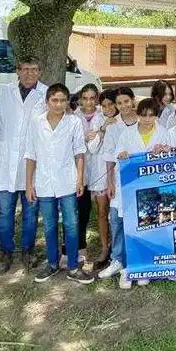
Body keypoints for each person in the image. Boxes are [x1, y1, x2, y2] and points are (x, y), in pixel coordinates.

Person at [25, 83, 91, 284]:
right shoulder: (36, 122)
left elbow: (79, 152)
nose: (58, 104)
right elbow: (31, 154)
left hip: (68, 181)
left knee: (71, 224)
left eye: (63, 100)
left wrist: (79, 179)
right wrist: (29, 184)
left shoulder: (73, 122)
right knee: (49, 225)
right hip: (44, 182)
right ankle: (52, 263)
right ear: (47, 102)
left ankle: (73, 266)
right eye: (54, 100)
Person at [0, 57, 49, 272]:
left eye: (33, 70)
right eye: (24, 70)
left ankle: (28, 250)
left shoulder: (46, 94)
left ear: (40, 71)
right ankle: (5, 251)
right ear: (17, 71)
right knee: (5, 211)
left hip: (32, 163)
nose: (29, 74)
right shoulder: (2, 92)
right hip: (6, 162)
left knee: (30, 211)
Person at [113, 98, 171, 289]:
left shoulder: (163, 132)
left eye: (151, 115)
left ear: (156, 115)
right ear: (138, 114)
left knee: (151, 226)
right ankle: (130, 268)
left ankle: (146, 266)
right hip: (131, 189)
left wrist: (164, 151)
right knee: (131, 228)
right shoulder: (127, 133)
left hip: (154, 188)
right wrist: (121, 154)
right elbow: (119, 152)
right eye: (144, 115)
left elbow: (171, 157)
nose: (147, 119)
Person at [97, 86, 139, 287]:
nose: (123, 106)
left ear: (133, 101)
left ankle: (135, 262)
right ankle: (117, 259)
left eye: (126, 102)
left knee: (138, 220)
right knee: (116, 220)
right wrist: (109, 182)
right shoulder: (113, 126)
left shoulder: (144, 122)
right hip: (119, 181)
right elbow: (108, 157)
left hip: (140, 181)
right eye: (119, 103)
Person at [72, 83, 104, 268]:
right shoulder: (73, 117)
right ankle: (81, 248)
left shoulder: (105, 116)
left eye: (93, 98)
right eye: (85, 98)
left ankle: (104, 248)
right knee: (81, 212)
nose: (89, 102)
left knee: (102, 212)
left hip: (99, 170)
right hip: (80, 172)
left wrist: (100, 131)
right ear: (80, 99)